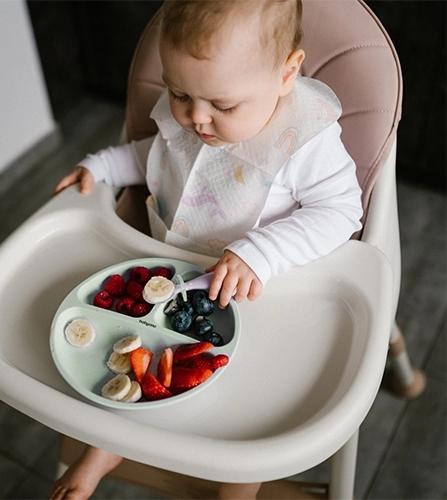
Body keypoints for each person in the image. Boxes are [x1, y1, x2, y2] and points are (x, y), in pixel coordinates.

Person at [51, 0, 363, 498]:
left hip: (258, 295)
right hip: (174, 281)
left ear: (286, 75)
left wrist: (261, 252)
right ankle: (106, 445)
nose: (196, 118)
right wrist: (104, 166)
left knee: (249, 411)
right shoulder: (199, 110)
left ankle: (237, 488)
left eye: (223, 106)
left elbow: (342, 212)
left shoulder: (305, 140)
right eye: (179, 94)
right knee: (130, 354)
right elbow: (157, 157)